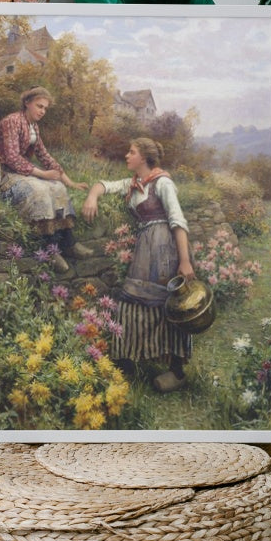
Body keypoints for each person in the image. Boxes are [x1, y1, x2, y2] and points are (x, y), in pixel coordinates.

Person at [82, 137, 194, 392]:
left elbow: (178, 220)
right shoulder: (133, 184)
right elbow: (103, 185)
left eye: (131, 152)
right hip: (145, 250)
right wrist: (91, 197)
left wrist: (185, 260)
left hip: (166, 250)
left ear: (143, 158)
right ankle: (130, 361)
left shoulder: (163, 183)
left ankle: (177, 371)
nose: (126, 156)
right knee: (132, 300)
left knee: (171, 304)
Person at [0, 86, 91, 273]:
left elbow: (45, 156)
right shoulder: (11, 121)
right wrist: (43, 175)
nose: (42, 111)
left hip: (21, 173)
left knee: (58, 188)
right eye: (39, 106)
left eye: (45, 108)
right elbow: (12, 158)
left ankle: (68, 243)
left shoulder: (33, 126)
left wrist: (69, 182)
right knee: (40, 190)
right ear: (27, 103)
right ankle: (49, 249)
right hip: (2, 175)